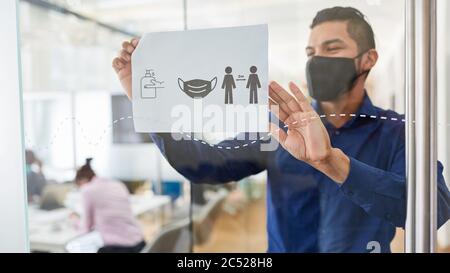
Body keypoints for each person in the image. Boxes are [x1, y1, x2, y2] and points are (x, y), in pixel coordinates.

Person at [113, 7, 450, 252]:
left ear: (368, 59)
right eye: (310, 52)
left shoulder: (398, 132)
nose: (317, 60)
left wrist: (333, 163)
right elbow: (203, 163)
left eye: (332, 49)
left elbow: (435, 210)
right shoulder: (280, 128)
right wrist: (148, 102)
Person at [75, 158, 145, 253]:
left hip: (119, 249)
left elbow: (86, 227)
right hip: (140, 245)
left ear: (82, 180)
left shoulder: (87, 190)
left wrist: (75, 221)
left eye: (79, 185)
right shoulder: (118, 185)